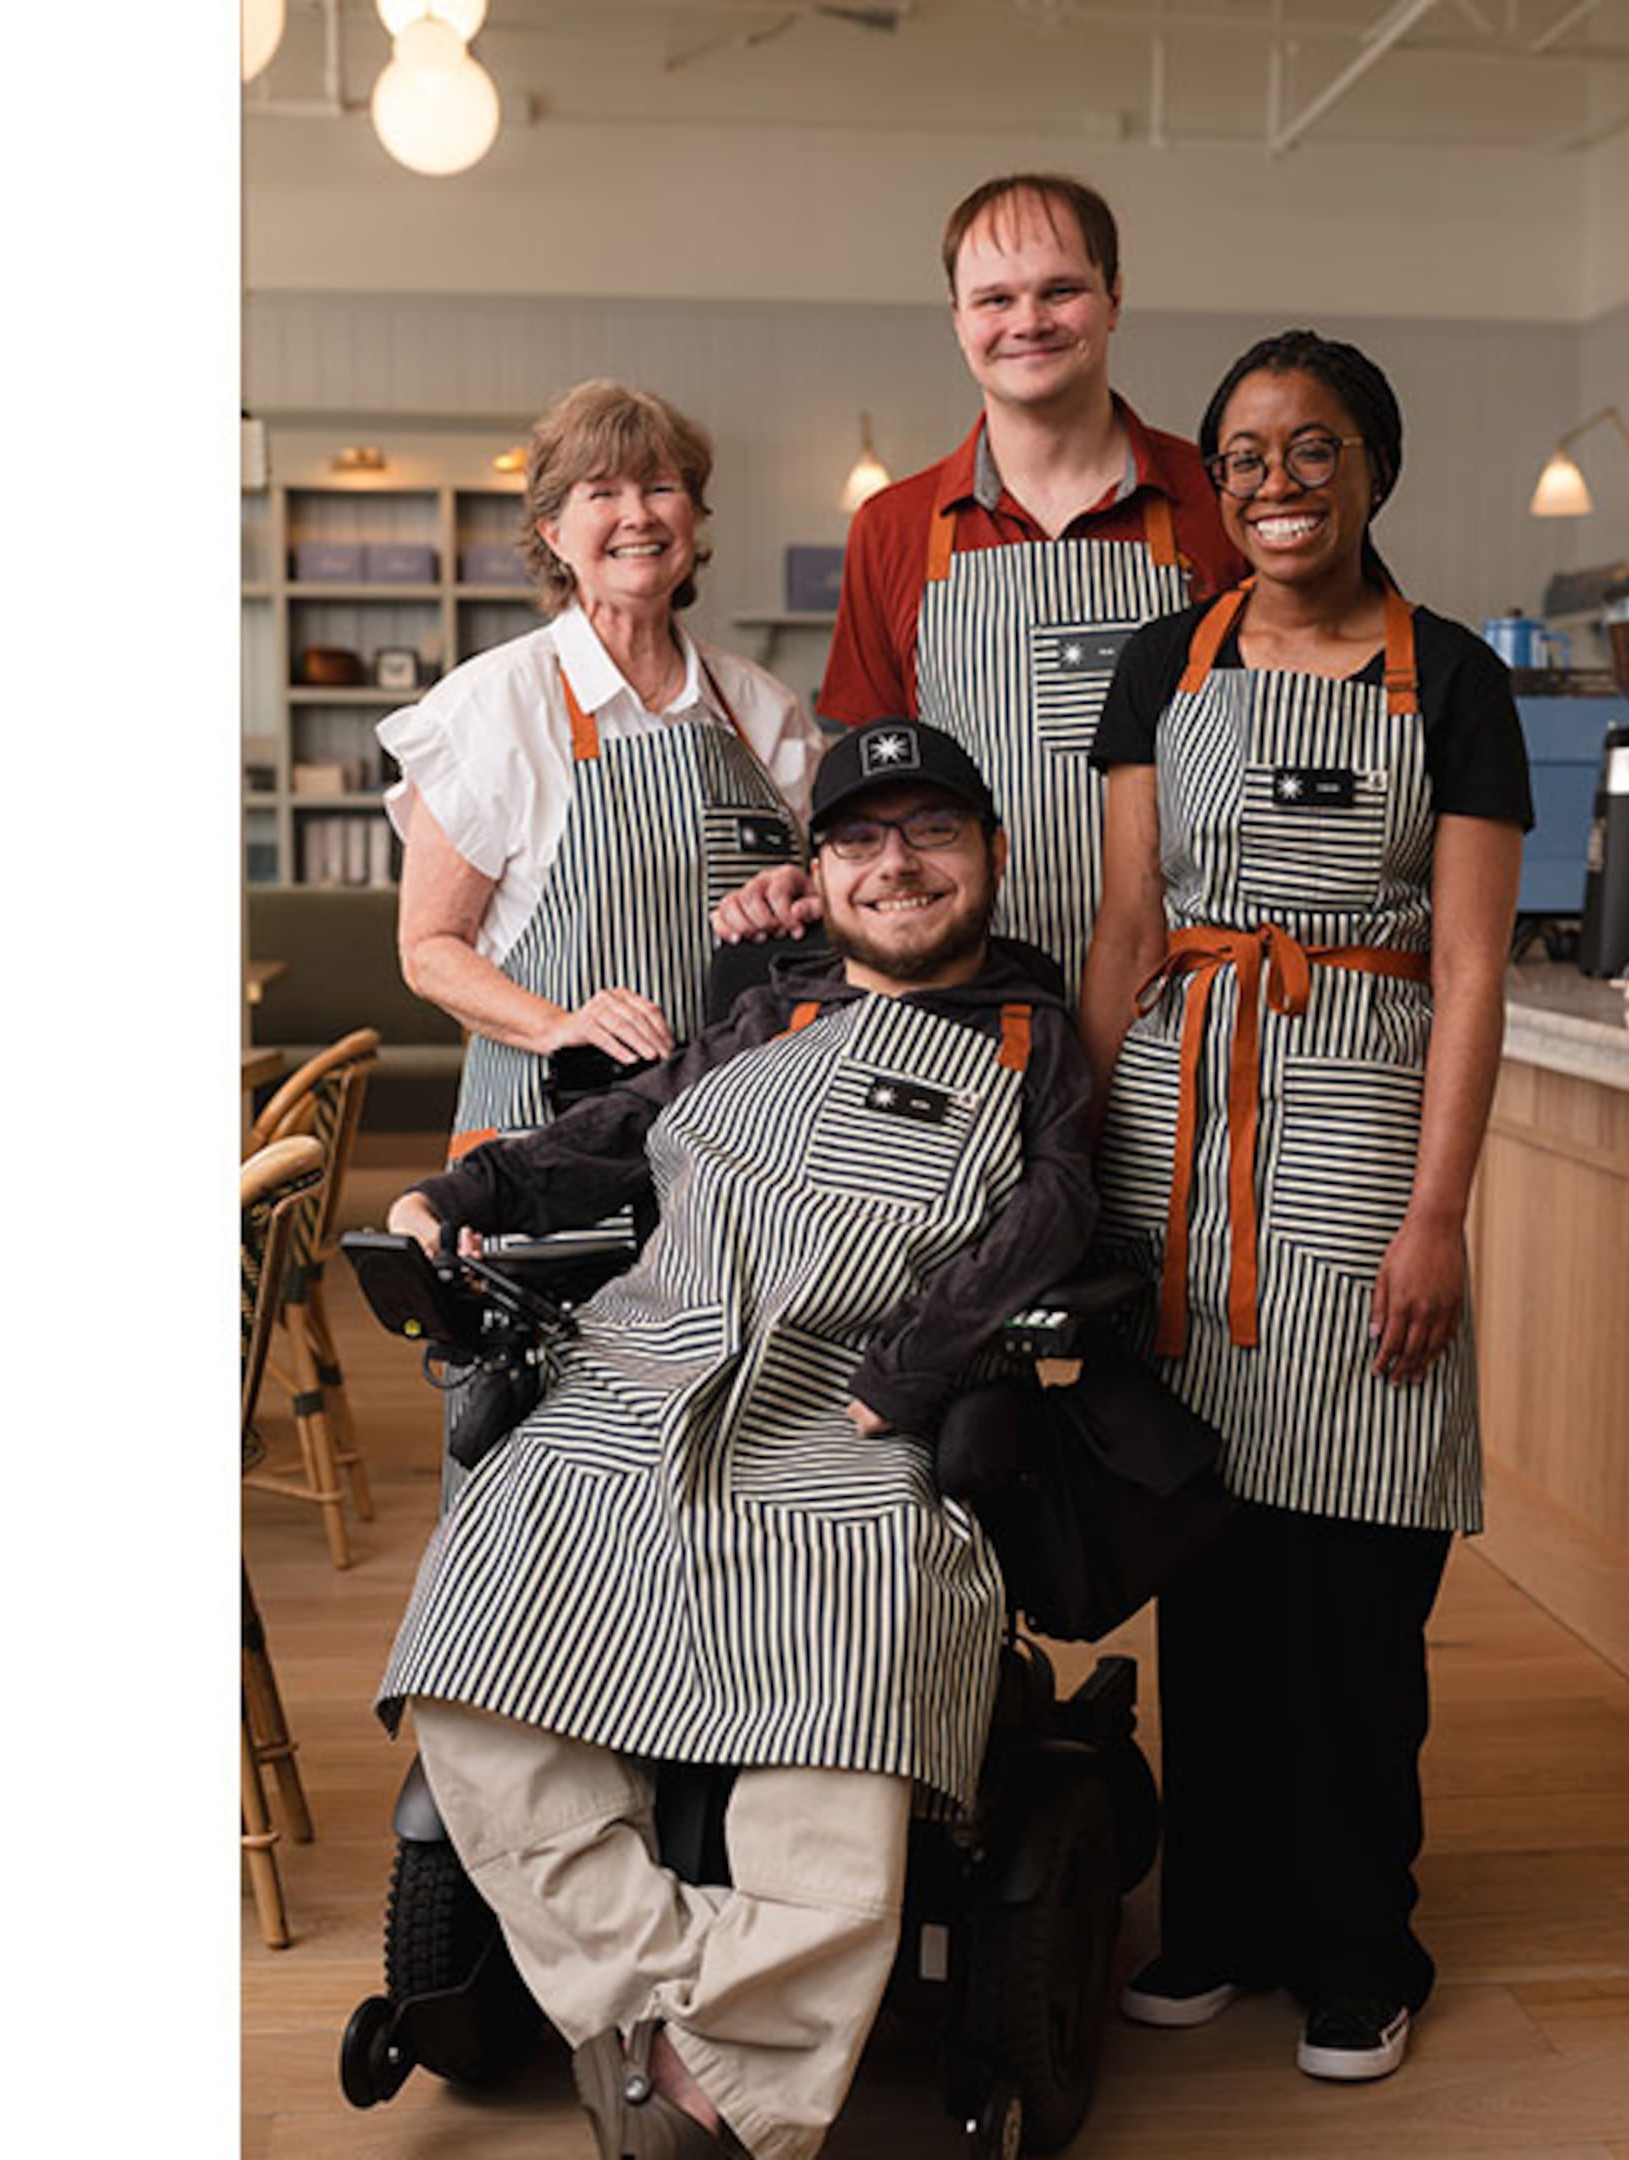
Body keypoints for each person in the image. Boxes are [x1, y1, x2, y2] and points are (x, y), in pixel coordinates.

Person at [377, 720, 1098, 2160]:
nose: (897, 867)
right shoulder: (767, 1012)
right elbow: (626, 1130)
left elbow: (1059, 1222)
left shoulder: (1039, 1035)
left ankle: (712, 2100)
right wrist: (467, 1193)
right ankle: (696, 2014)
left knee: (858, 1672)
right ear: (818, 876)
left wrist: (910, 1374)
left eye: (932, 834)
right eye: (860, 842)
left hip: (849, 1413)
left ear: (992, 854)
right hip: (639, 1377)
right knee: (468, 1653)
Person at [1074, 329, 1532, 2085]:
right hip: (1179, 1147)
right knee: (1212, 1563)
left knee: (1351, 1582)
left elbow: (1475, 979)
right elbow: (1127, 927)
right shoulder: (1159, 664)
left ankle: (1360, 1946)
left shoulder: (1457, 681)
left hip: (1360, 1153)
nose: (1278, 483)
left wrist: (1438, 1218)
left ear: (1373, 471)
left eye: (1315, 450)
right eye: (1247, 454)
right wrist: (1069, 1166)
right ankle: (1219, 1919)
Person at [714, 173, 1245, 994]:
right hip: (971, 999)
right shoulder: (893, 528)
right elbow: (869, 782)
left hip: (1193, 989)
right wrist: (809, 876)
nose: (1027, 322)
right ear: (958, 320)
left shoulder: (1220, 503)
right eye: (995, 299)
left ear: (1114, 297)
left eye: (1059, 291)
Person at [388, 378, 826, 1159]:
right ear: (552, 531)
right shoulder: (492, 709)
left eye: (662, 487)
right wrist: (561, 1026)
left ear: (692, 516)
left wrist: (802, 896)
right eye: (604, 492)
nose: (639, 515)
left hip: (733, 1156)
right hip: (544, 1145)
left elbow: (829, 915)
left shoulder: (763, 712)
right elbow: (428, 951)